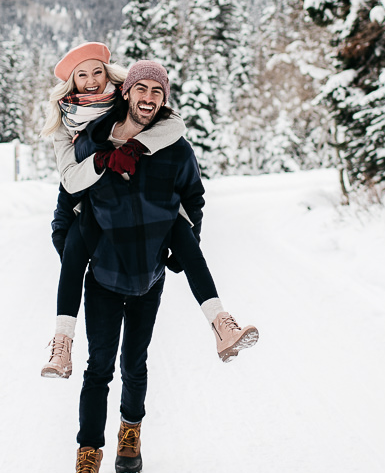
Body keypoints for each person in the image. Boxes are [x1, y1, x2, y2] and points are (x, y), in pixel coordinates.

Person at [60, 58, 258, 473]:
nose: (149, 98)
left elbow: (195, 199)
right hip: (105, 278)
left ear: (163, 100)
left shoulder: (176, 149)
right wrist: (69, 251)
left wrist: (175, 247)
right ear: (127, 92)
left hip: (147, 277)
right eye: (142, 89)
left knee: (135, 361)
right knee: (99, 369)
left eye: (157, 92)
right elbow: (65, 201)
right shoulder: (95, 141)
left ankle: (131, 432)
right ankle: (86, 464)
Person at [39, 43, 256, 384]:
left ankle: (220, 322)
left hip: (143, 210)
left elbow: (172, 124)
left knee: (178, 225)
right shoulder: (70, 128)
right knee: (75, 247)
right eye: (82, 74)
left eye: (98, 71)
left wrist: (136, 145)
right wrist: (103, 160)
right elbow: (68, 182)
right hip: (95, 204)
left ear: (113, 81)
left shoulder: (122, 101)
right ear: (72, 83)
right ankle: (62, 341)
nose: (92, 80)